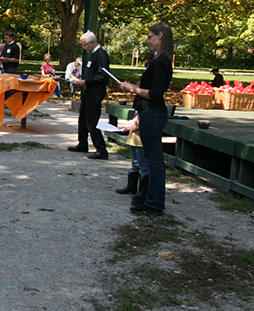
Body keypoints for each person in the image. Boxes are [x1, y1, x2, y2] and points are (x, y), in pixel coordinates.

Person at [119, 23, 174, 215]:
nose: (148, 40)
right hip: (149, 112)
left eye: (150, 37)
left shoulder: (161, 61)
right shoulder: (158, 60)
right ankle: (148, 198)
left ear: (160, 36)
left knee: (154, 161)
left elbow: (155, 93)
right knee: (151, 160)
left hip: (152, 112)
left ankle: (155, 203)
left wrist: (131, 88)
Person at [68, 31, 110, 159]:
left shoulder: (101, 55)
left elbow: (102, 76)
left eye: (85, 45)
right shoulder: (93, 55)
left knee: (92, 120)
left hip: (96, 91)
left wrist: (86, 81)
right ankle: (82, 143)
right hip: (88, 90)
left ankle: (101, 149)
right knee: (83, 118)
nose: (84, 48)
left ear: (92, 42)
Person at [116, 113, 146, 195]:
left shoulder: (148, 110)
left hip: (141, 142)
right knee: (135, 164)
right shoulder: (139, 109)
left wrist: (130, 127)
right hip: (134, 140)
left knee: (143, 167)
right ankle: (131, 187)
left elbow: (141, 124)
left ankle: (143, 191)